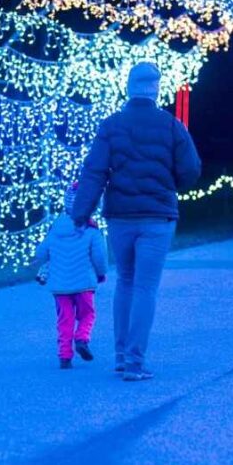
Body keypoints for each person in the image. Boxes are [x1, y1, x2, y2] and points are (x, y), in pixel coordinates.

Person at [72, 62, 202, 381]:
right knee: (145, 287)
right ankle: (134, 362)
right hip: (158, 218)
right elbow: (191, 170)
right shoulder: (171, 126)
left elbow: (94, 172)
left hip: (120, 218)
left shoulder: (111, 126)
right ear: (155, 89)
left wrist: (81, 213)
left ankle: (120, 356)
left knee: (126, 282)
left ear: (129, 89)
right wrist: (168, 183)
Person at [34, 182, 108, 369]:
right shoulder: (91, 230)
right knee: (87, 314)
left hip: (60, 286)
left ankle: (64, 356)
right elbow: (99, 256)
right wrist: (101, 273)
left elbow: (41, 253)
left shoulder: (55, 228)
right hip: (84, 284)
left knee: (64, 320)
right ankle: (82, 338)